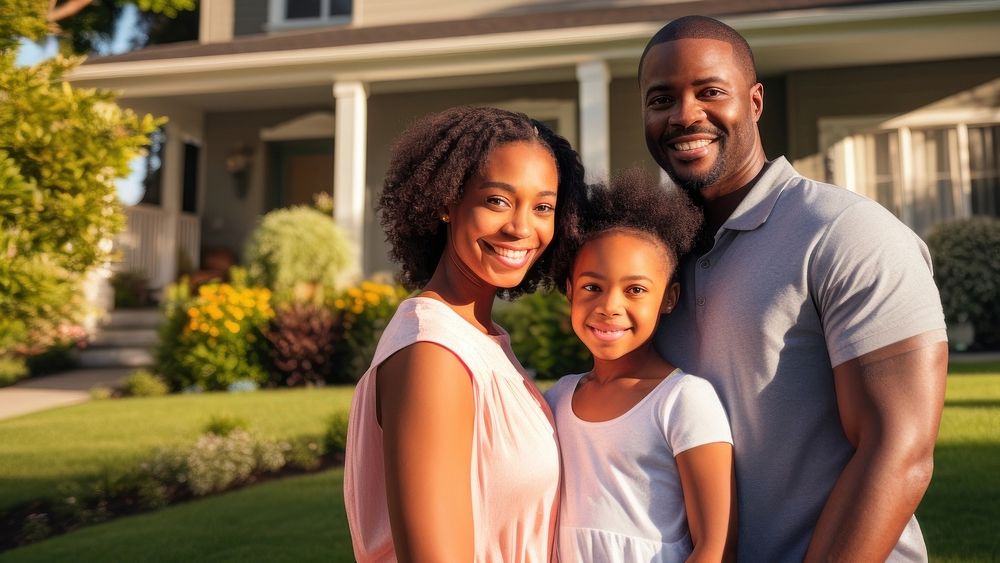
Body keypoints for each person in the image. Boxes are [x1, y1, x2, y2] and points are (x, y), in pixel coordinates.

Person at [641, 15, 949, 562]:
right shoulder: (657, 259)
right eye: (661, 99)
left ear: (755, 102)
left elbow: (898, 450)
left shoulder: (847, 232)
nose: (685, 115)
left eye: (710, 92)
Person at [343, 106, 586, 562]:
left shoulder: (480, 338)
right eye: (497, 200)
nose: (521, 227)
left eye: (543, 207)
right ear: (446, 201)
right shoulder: (433, 352)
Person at [544, 169, 736, 562]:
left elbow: (716, 547)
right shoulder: (556, 399)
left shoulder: (683, 401)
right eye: (592, 287)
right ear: (569, 291)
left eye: (636, 290)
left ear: (669, 298)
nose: (610, 306)